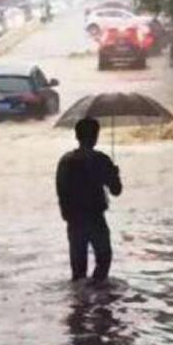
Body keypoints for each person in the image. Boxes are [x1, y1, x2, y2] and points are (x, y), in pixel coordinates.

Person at [56, 118, 123, 283]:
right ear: (96, 136)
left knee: (78, 271)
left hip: (74, 220)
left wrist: (67, 215)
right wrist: (114, 173)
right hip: (96, 218)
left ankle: (80, 303)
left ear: (77, 136)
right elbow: (116, 190)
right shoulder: (101, 160)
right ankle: (98, 294)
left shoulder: (65, 161)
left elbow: (61, 190)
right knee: (104, 259)